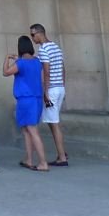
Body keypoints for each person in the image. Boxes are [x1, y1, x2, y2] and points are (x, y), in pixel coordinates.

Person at [3, 35, 49, 171]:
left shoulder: (20, 63)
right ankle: (28, 159)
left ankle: (43, 162)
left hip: (25, 100)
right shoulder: (37, 62)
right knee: (27, 130)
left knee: (32, 131)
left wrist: (7, 58)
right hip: (37, 98)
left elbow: (5, 72)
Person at [30, 22, 68, 165]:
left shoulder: (44, 49)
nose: (33, 38)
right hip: (59, 88)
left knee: (54, 123)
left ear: (40, 33)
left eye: (33, 35)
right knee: (53, 122)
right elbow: (63, 68)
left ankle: (62, 157)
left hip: (51, 89)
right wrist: (62, 85)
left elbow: (46, 71)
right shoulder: (56, 47)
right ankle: (61, 153)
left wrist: (45, 91)